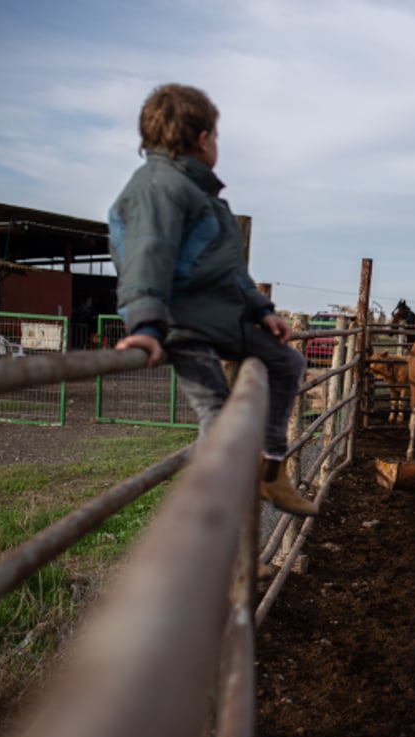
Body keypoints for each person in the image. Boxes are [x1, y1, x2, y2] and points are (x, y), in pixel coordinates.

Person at [109, 83, 317, 516]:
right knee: (219, 416)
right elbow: (147, 256)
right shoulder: (158, 188)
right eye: (216, 136)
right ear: (202, 138)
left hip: (221, 319)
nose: (217, 144)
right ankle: (208, 517)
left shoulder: (200, 193)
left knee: (287, 361)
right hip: (183, 325)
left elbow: (228, 269)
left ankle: (272, 471)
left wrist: (262, 311)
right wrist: (146, 326)